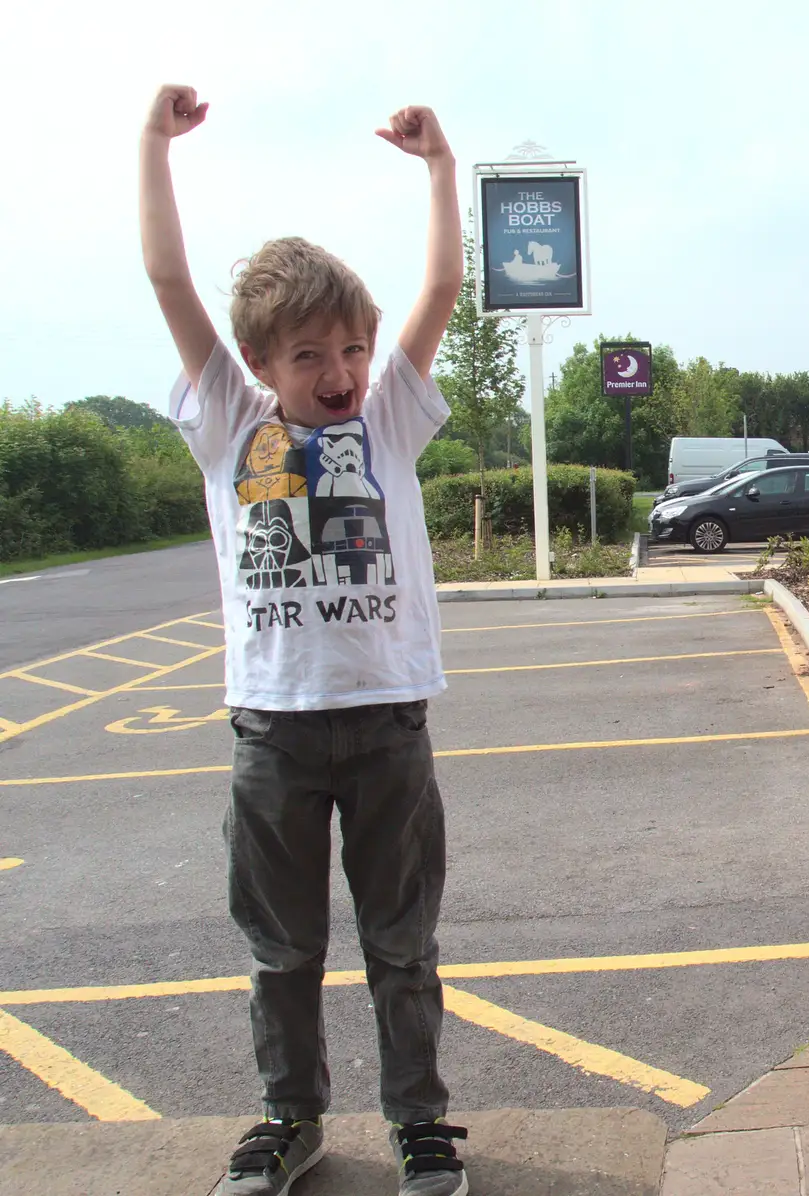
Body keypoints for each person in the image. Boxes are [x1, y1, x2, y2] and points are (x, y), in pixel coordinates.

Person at [140, 84, 468, 1196]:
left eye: (354, 349)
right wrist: (154, 146)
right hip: (273, 733)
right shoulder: (229, 423)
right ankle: (291, 1115)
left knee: (401, 946)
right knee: (282, 952)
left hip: (386, 726)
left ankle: (420, 1120)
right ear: (258, 361)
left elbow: (442, 286)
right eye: (311, 356)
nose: (339, 374)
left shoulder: (387, 418)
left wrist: (437, 168)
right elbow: (170, 281)